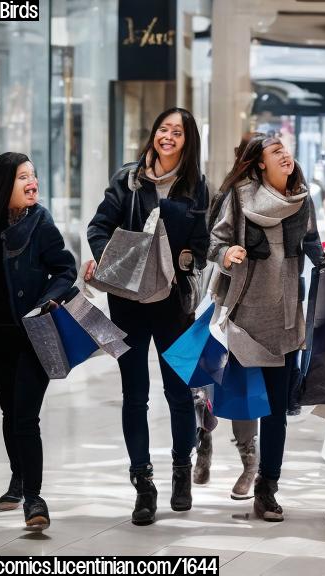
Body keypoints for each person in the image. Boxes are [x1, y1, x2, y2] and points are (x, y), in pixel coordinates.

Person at [85, 107, 210, 526]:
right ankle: (143, 484)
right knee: (134, 394)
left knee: (178, 392)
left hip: (173, 304)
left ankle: (180, 473)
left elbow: (202, 242)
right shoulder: (128, 179)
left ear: (188, 141)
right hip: (127, 303)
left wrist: (185, 260)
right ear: (154, 134)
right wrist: (111, 260)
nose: (168, 136)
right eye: (163, 129)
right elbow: (99, 226)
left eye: (177, 131)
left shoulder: (196, 187)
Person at [0, 152, 78, 530]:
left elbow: (65, 269)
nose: (31, 182)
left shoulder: (41, 222)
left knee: (25, 417)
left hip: (32, 336)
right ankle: (17, 478)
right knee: (10, 412)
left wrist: (44, 303)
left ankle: (34, 499)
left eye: (33, 175)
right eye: (23, 176)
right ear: (5, 185)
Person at [209, 132, 324, 522]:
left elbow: (313, 247)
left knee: (275, 411)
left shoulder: (301, 200)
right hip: (245, 315)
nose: (285, 156)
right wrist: (228, 253)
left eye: (286, 150)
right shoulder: (239, 199)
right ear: (260, 162)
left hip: (286, 318)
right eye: (276, 151)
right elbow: (214, 241)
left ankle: (267, 487)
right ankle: (242, 456)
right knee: (242, 400)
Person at [193, 132, 261, 501]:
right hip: (217, 298)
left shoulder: (279, 197)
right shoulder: (227, 195)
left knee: (241, 384)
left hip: (254, 308)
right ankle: (202, 443)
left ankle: (249, 462)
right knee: (200, 378)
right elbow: (209, 245)